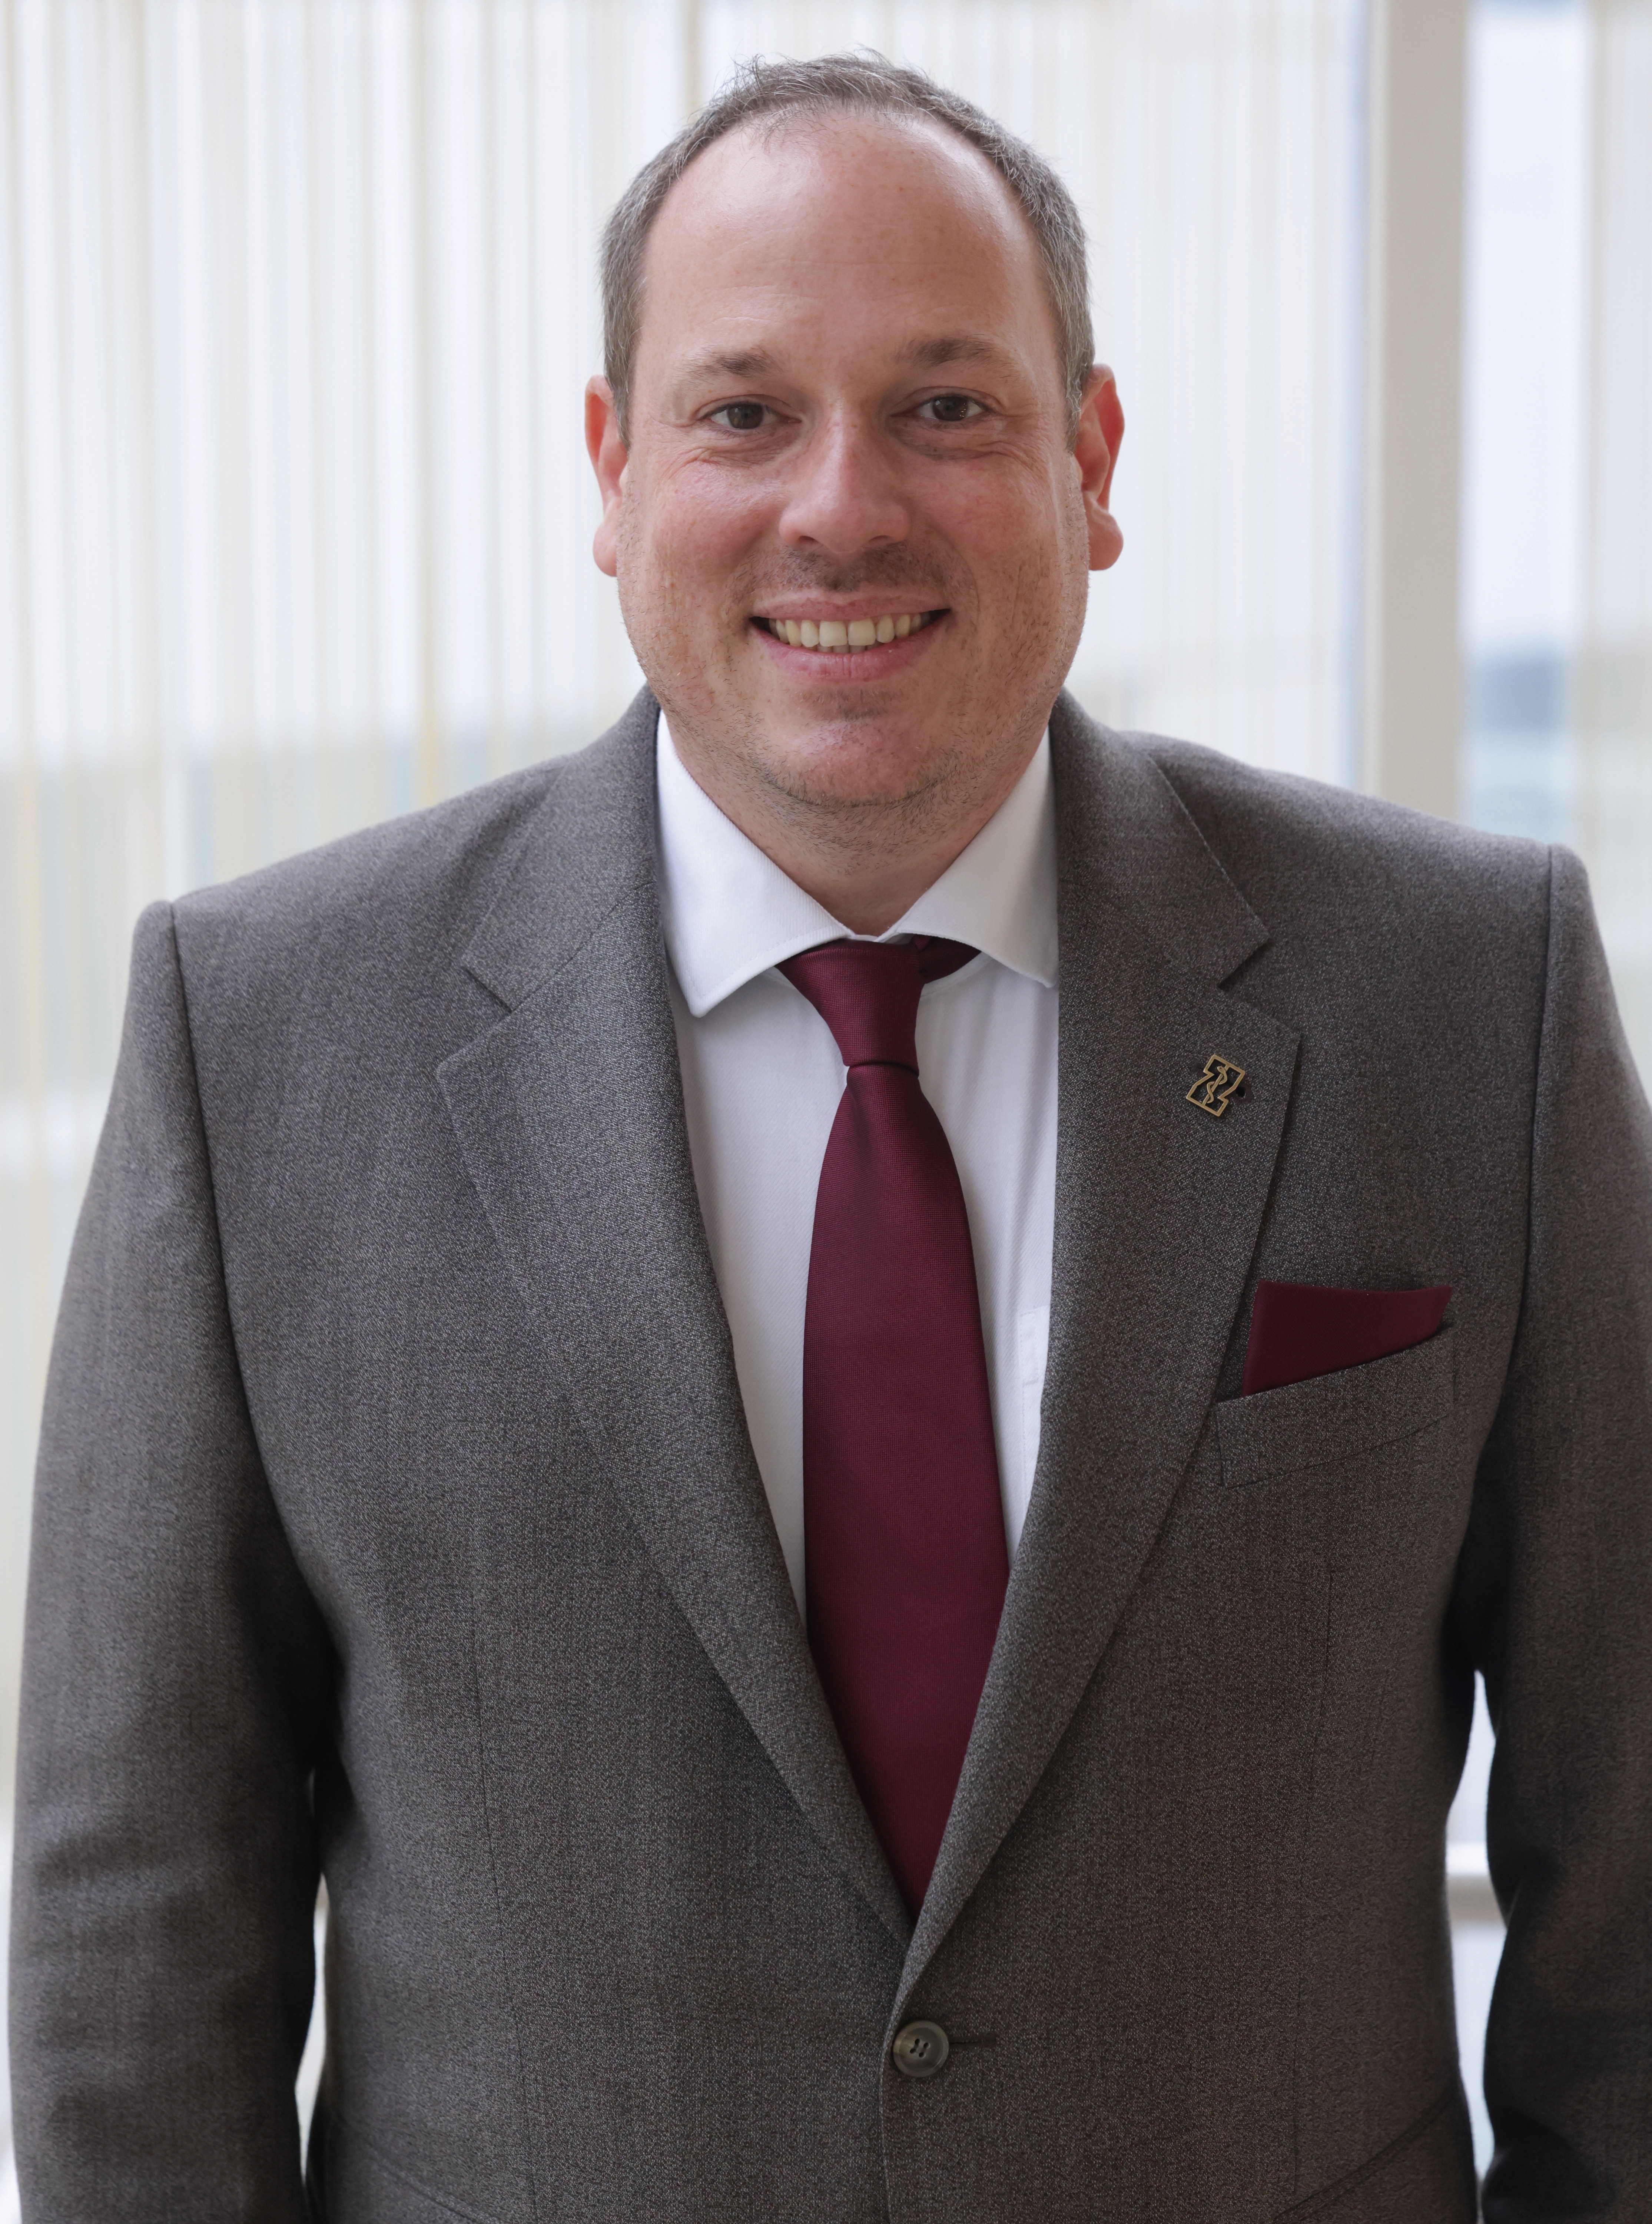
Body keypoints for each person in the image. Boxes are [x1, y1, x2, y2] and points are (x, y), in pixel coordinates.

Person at [10, 50, 1650, 2224]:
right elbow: (137, 1940)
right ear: (613, 474)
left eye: (947, 406)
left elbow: (1631, 1853)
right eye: (743, 413)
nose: (842, 507)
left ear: (1092, 458)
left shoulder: (1465, 996)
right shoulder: (262, 1039)